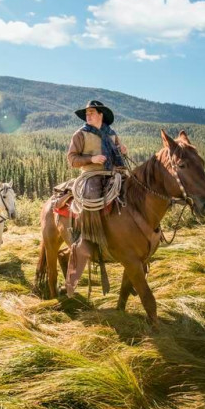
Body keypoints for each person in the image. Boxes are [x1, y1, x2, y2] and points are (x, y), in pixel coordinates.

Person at [65, 100, 128, 295]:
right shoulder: (80, 134)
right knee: (92, 200)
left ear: (100, 114)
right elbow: (72, 159)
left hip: (115, 173)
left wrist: (124, 150)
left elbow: (119, 155)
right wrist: (91, 159)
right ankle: (88, 239)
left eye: (91, 112)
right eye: (87, 113)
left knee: (136, 191)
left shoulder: (111, 133)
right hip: (91, 175)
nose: (88, 115)